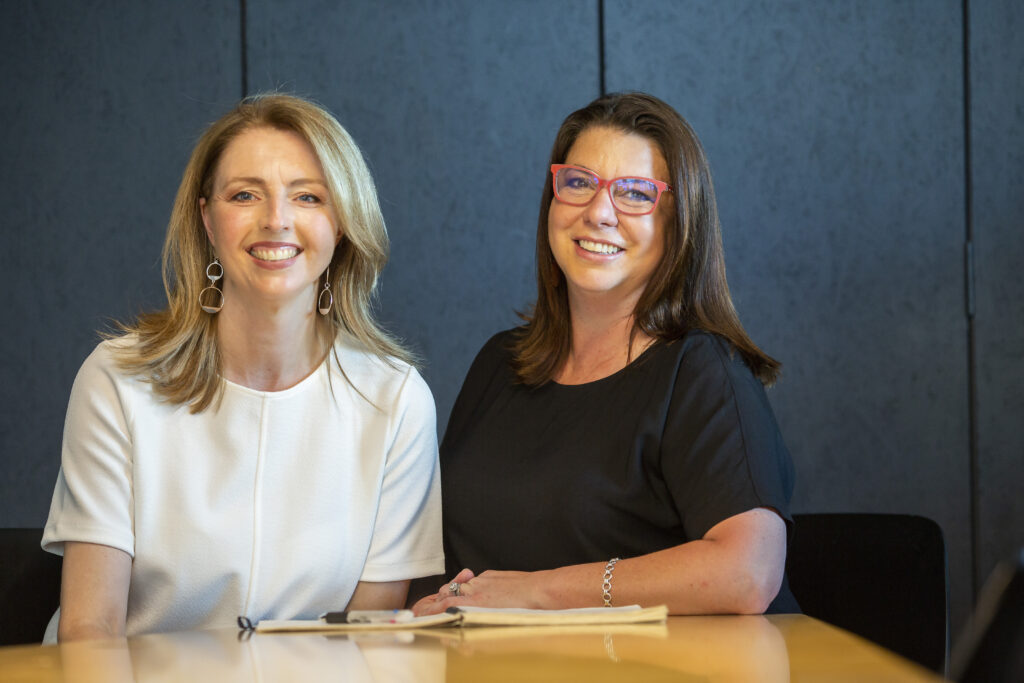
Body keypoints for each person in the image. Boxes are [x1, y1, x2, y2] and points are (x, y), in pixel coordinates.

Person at [41, 94, 443, 641]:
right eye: (245, 195)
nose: (276, 220)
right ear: (207, 218)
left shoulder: (396, 401)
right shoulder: (118, 379)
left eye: (307, 196)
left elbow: (364, 642)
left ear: (343, 222)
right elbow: (91, 629)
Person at [414, 92, 797, 616]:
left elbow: (747, 573)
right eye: (578, 183)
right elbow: (448, 559)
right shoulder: (499, 363)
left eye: (635, 193)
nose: (599, 212)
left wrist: (536, 591)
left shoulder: (703, 371)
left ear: (678, 223)